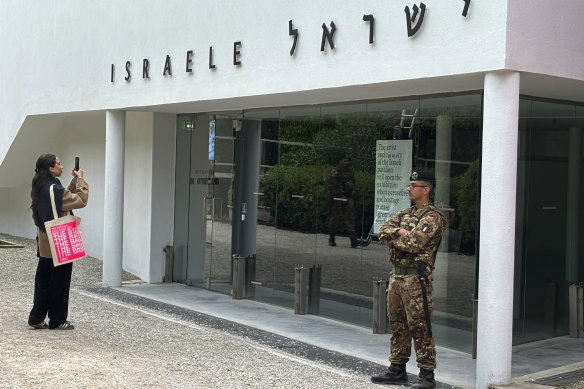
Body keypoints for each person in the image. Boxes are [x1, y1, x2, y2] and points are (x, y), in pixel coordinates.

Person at [371, 171, 445, 389]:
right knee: (397, 324)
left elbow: (414, 243)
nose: (409, 188)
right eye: (409, 185)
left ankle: (426, 376)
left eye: (414, 185)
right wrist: (400, 232)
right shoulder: (407, 213)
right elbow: (382, 230)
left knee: (420, 327)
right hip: (397, 275)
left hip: (416, 279)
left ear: (426, 189)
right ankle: (397, 369)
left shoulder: (432, 217)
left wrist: (400, 236)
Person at [28, 154, 89, 330]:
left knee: (43, 279)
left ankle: (36, 317)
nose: (62, 166)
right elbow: (80, 201)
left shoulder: (41, 185)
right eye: (59, 164)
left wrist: (72, 181)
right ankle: (58, 319)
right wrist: (81, 181)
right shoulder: (54, 188)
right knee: (60, 281)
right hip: (59, 237)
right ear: (51, 168)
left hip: (45, 237)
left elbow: (61, 198)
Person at [327, 155, 361, 248]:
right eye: (345, 161)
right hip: (338, 199)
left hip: (348, 197)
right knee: (335, 219)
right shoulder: (335, 172)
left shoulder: (349, 171)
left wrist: (353, 190)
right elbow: (331, 186)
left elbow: (353, 182)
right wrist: (339, 195)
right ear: (340, 161)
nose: (346, 163)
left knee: (350, 219)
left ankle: (353, 240)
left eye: (347, 161)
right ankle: (331, 238)